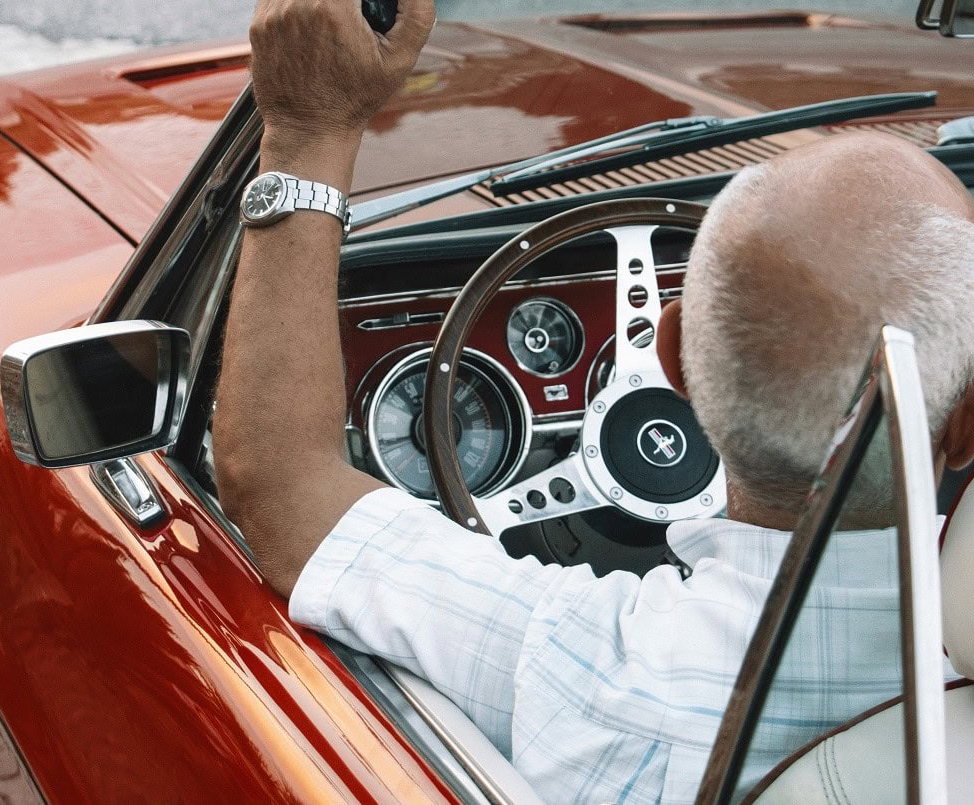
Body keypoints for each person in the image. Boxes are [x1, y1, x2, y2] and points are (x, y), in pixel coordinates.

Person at [213, 0, 974, 800]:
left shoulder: (583, 670)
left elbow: (282, 482)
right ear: (966, 424)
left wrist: (308, 130)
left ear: (673, 362)